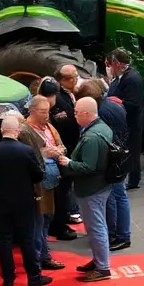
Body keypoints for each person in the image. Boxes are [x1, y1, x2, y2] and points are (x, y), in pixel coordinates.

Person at [0, 114, 52, 286]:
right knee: (27, 239)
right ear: (17, 131)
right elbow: (38, 175)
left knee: (5, 240)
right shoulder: (25, 151)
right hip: (23, 202)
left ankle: (8, 280)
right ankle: (34, 277)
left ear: (1, 130)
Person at [58, 97, 114, 282]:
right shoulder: (103, 127)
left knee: (96, 227)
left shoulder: (91, 137)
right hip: (101, 186)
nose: (73, 116)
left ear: (85, 113)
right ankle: (99, 260)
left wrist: (68, 162)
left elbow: (88, 166)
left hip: (91, 189)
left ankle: (103, 267)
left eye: (75, 113)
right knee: (98, 226)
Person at [76, 79, 132, 253]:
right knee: (119, 196)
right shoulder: (114, 105)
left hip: (112, 162)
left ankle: (118, 235)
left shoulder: (102, 113)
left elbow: (105, 140)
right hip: (121, 158)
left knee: (115, 197)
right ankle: (120, 234)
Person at [17, 98, 66, 272]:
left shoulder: (49, 127)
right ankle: (40, 258)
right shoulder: (25, 131)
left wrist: (58, 151)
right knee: (40, 221)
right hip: (39, 183)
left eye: (48, 111)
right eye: (43, 112)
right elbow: (31, 157)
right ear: (32, 111)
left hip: (52, 179)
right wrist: (47, 153)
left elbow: (61, 146)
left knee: (47, 219)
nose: (47, 115)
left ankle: (42, 256)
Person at [47, 66, 82, 239]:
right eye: (75, 77)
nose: (78, 79)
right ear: (66, 80)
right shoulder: (59, 99)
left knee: (66, 189)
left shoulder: (66, 94)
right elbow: (66, 125)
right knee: (62, 189)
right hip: (65, 149)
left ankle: (64, 216)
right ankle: (59, 225)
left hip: (67, 149)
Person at [105, 49, 144, 189]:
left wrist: (119, 102)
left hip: (132, 121)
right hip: (124, 122)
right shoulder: (121, 77)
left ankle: (133, 179)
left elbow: (134, 104)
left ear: (116, 63)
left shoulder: (132, 78)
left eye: (110, 64)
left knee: (132, 150)